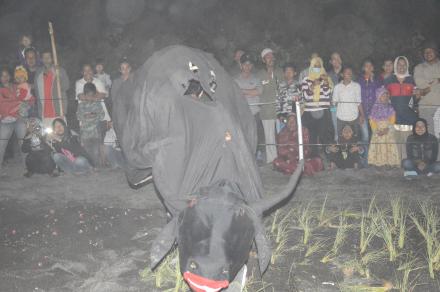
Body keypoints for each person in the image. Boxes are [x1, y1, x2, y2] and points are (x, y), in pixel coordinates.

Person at [384, 56, 419, 160]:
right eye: (399, 64)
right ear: (395, 65)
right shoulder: (389, 80)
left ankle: (406, 162)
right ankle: (396, 163)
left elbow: (416, 99)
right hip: (393, 116)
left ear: (407, 66)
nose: (401, 67)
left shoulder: (411, 79)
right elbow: (383, 97)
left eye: (404, 65)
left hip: (408, 116)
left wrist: (417, 97)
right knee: (395, 141)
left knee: (407, 141)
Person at [300, 56, 335, 157]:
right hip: (310, 112)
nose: (317, 68)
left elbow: (327, 93)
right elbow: (306, 96)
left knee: (325, 136)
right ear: (311, 66)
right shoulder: (306, 80)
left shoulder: (325, 78)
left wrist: (326, 82)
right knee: (312, 136)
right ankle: (314, 157)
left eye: (319, 66)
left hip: (323, 111)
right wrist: (313, 85)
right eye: (315, 66)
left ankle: (330, 158)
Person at [233, 53, 265, 163]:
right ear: (241, 65)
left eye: (249, 64)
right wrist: (251, 92)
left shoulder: (256, 79)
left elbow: (259, 91)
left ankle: (258, 156)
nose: (247, 67)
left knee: (256, 135)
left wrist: (243, 91)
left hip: (255, 112)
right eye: (245, 64)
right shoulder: (235, 80)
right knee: (243, 135)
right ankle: (243, 158)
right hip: (241, 113)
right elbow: (235, 93)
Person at [257, 48, 283, 163]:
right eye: (268, 57)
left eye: (272, 56)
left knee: (282, 135)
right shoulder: (259, 75)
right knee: (269, 137)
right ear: (263, 60)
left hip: (280, 110)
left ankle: (284, 156)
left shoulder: (280, 72)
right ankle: (272, 160)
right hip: (266, 110)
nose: (271, 58)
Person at [0, 68, 28, 174]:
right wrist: (16, 106)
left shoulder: (17, 86)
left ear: (10, 76)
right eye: (2, 75)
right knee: (1, 144)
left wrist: (23, 106)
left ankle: (27, 166)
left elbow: (25, 99)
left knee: (23, 143)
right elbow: (3, 107)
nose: (5, 77)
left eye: (7, 75)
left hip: (19, 119)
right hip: (5, 121)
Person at [34, 50, 70, 128]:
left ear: (52, 58)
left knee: (62, 136)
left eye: (48, 57)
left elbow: (66, 86)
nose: (46, 59)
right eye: (44, 57)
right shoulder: (38, 73)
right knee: (48, 137)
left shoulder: (60, 70)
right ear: (41, 59)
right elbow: (37, 93)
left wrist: (59, 74)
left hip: (58, 111)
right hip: (45, 112)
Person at [414, 41, 440, 142]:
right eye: (425, 52)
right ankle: (432, 158)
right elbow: (421, 85)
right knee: (429, 137)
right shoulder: (419, 68)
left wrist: (426, 89)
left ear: (436, 52)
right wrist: (438, 81)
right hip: (426, 107)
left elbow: (424, 89)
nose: (428, 54)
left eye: (430, 51)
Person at [367, 87, 400, 167]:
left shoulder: (390, 108)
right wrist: (376, 130)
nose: (385, 97)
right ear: (378, 96)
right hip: (378, 131)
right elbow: (372, 120)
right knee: (379, 146)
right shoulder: (374, 108)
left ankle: (390, 163)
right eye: (383, 96)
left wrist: (387, 129)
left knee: (389, 145)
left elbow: (392, 119)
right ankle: (379, 163)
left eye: (386, 96)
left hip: (387, 130)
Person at [76, 83, 105, 167]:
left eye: (92, 95)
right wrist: (85, 116)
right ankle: (89, 167)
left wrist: (94, 115)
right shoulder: (81, 105)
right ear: (84, 95)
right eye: (88, 95)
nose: (90, 97)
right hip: (85, 134)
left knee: (96, 151)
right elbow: (78, 116)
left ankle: (96, 167)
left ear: (95, 95)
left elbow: (102, 116)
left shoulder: (98, 104)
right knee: (87, 151)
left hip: (96, 133)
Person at [333, 67, 365, 141]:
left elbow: (358, 102)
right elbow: (334, 103)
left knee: (354, 139)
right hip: (341, 118)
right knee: (341, 140)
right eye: (347, 72)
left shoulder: (356, 86)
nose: (349, 74)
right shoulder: (337, 87)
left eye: (350, 72)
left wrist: (362, 115)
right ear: (342, 74)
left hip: (353, 117)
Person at [359, 59, 382, 143]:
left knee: (375, 136)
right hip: (362, 112)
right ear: (363, 68)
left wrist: (372, 81)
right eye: (366, 66)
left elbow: (380, 95)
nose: (368, 68)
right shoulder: (359, 80)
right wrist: (360, 114)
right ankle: (365, 156)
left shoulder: (378, 80)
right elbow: (357, 98)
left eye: (370, 66)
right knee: (365, 136)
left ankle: (374, 155)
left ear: (373, 68)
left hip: (375, 113)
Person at [328, 52, 344, 141]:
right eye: (334, 59)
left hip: (346, 105)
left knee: (346, 127)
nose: (336, 61)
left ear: (341, 60)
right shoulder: (328, 75)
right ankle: (337, 146)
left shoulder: (347, 72)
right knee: (335, 127)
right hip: (333, 106)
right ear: (331, 61)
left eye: (338, 58)